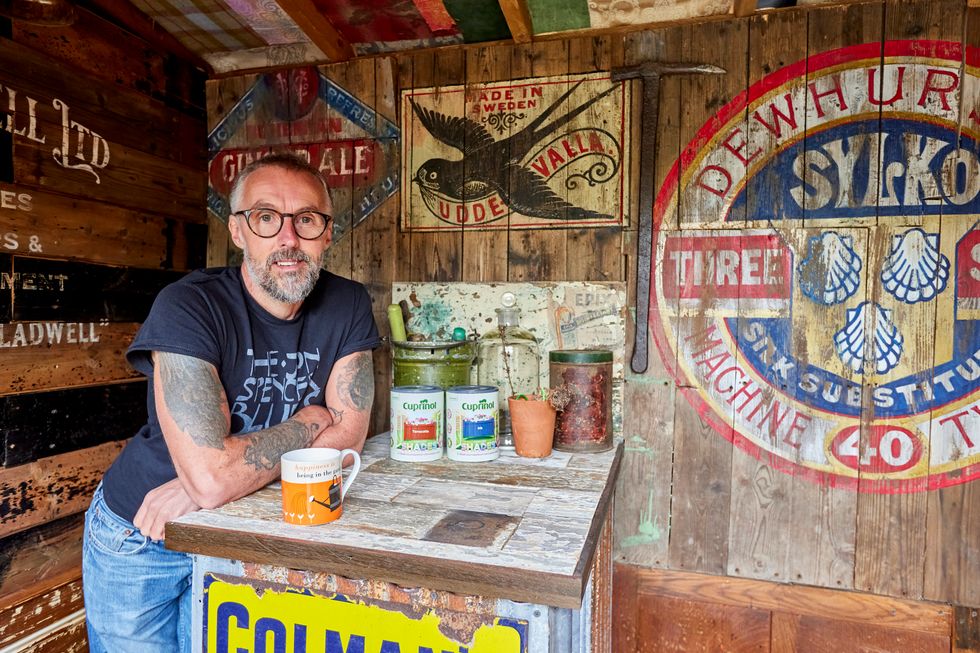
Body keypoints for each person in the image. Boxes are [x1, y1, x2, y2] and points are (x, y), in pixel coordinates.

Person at [82, 153, 379, 653]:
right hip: (145, 534)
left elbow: (346, 442)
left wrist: (209, 481)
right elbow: (215, 476)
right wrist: (308, 424)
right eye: (266, 218)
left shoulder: (347, 302)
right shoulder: (188, 305)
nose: (288, 239)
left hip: (251, 527)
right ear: (238, 232)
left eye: (306, 220)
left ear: (327, 233)